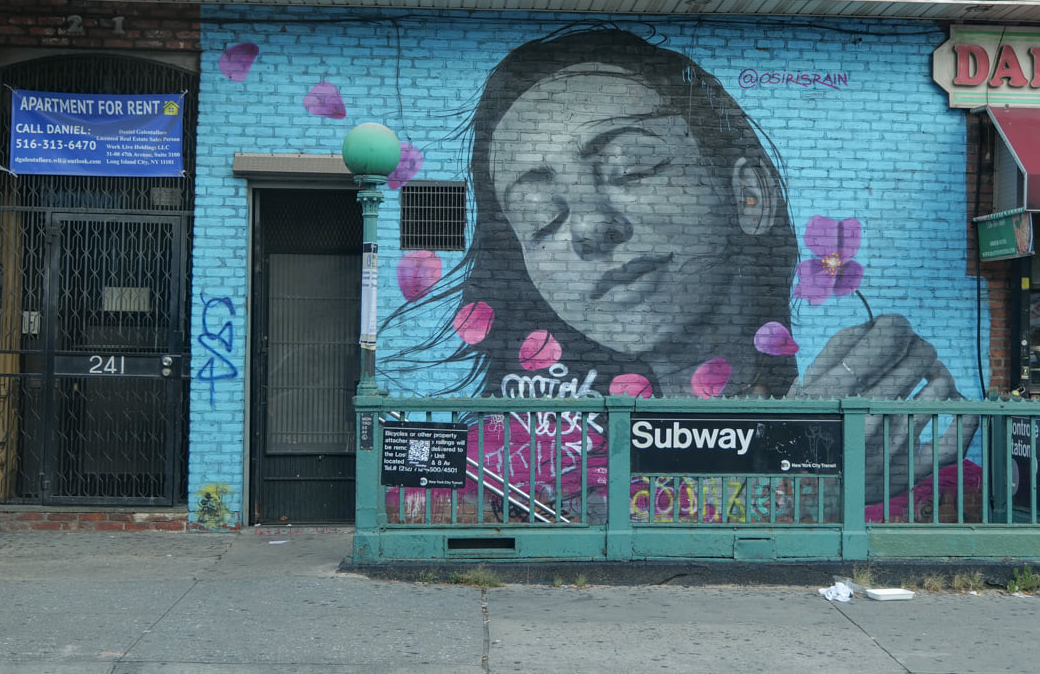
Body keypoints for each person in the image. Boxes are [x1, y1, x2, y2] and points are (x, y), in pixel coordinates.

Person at [387, 26, 977, 508]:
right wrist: (798, 482)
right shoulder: (502, 462)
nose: (591, 227)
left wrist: (811, 460)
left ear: (749, 195)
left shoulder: (900, 460)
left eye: (631, 167)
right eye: (540, 216)